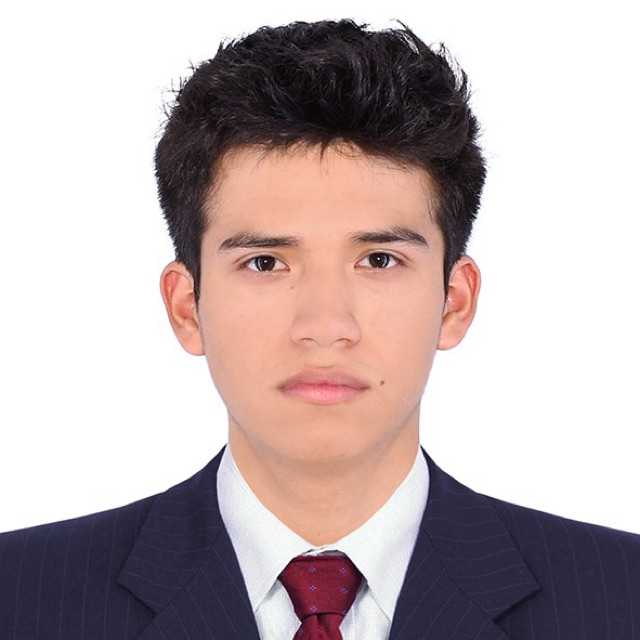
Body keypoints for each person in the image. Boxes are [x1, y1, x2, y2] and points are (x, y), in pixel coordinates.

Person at [1, 17, 638, 640]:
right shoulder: (20, 595)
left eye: (379, 260)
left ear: (454, 300)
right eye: (265, 262)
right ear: (187, 306)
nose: (325, 326)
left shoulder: (621, 596)